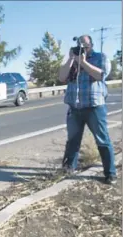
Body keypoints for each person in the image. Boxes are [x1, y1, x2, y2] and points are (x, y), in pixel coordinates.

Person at [58, 34, 116, 184]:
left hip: (94, 107)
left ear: (91, 45)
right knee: (72, 140)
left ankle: (110, 173)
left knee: (102, 140)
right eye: (79, 45)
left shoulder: (100, 57)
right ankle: (69, 168)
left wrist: (83, 62)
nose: (81, 48)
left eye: (85, 45)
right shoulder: (72, 60)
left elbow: (101, 75)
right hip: (75, 108)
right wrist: (71, 59)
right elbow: (61, 77)